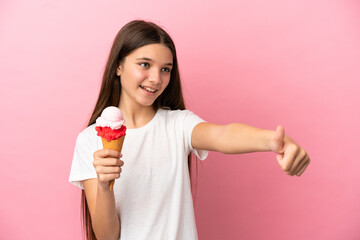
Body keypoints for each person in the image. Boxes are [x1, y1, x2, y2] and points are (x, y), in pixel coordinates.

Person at [69, 20, 310, 240]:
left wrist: (273, 141)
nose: (156, 78)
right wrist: (103, 185)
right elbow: (107, 237)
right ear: (118, 66)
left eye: (166, 69)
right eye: (145, 64)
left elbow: (222, 135)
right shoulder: (90, 140)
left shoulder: (177, 124)